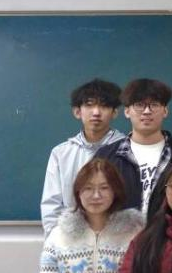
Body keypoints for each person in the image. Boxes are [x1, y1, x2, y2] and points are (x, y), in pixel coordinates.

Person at [95, 79, 172, 216]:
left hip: (170, 229)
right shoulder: (106, 157)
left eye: (154, 105)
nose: (147, 111)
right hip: (120, 229)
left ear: (165, 111)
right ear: (127, 111)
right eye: (139, 105)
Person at [42, 78, 126, 235]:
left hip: (117, 237)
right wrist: (56, 242)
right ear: (77, 112)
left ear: (115, 112)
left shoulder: (128, 150)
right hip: (72, 238)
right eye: (89, 105)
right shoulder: (61, 153)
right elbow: (52, 205)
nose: (96, 112)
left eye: (104, 106)